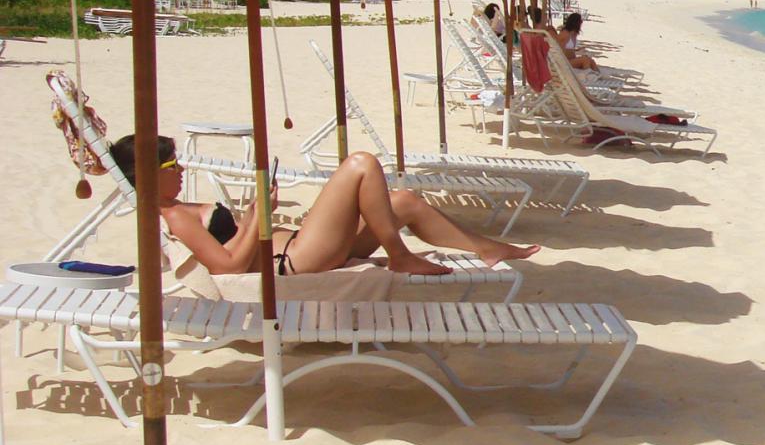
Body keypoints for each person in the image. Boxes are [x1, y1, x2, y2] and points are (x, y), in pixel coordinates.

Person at [109, 134, 539, 278]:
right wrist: (259, 215)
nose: (180, 167)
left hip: (298, 244)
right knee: (360, 165)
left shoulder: (179, 206)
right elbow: (226, 267)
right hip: (292, 260)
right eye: (170, 163)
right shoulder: (174, 218)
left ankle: (485, 247)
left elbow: (234, 242)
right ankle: (401, 257)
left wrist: (257, 212)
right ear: (147, 174)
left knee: (403, 201)